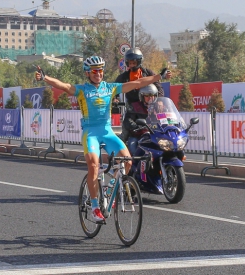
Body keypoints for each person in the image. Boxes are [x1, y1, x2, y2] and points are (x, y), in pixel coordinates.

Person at [35, 56, 170, 222]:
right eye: (94, 71)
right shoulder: (82, 90)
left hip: (107, 132)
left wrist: (158, 77)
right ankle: (94, 207)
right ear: (88, 73)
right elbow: (63, 86)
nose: (98, 73)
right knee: (93, 165)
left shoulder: (110, 88)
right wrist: (44, 77)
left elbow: (137, 83)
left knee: (127, 161)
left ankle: (109, 192)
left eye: (100, 70)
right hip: (90, 133)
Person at [115, 48, 167, 142]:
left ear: (139, 62)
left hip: (149, 106)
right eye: (130, 63)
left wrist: (159, 100)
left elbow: (159, 88)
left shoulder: (148, 73)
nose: (132, 65)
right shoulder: (124, 76)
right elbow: (114, 88)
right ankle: (120, 152)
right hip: (133, 107)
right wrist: (115, 98)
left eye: (134, 63)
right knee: (126, 132)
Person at [124, 84, 158, 155]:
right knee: (133, 145)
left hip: (155, 135)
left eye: (152, 95)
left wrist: (171, 122)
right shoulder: (135, 107)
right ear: (142, 96)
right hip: (138, 135)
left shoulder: (159, 107)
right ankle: (133, 164)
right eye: (147, 96)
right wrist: (136, 127)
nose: (150, 98)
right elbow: (128, 120)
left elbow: (166, 117)